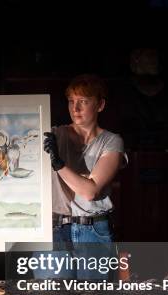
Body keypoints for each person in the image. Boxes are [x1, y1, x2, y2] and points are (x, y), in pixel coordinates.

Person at [43, 74, 127, 280]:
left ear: (100, 105)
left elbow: (90, 191)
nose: (75, 108)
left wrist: (58, 164)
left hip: (93, 230)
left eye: (83, 101)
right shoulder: (53, 135)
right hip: (55, 228)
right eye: (71, 101)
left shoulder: (111, 141)